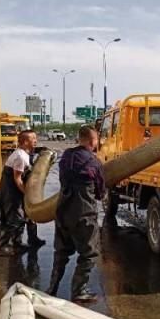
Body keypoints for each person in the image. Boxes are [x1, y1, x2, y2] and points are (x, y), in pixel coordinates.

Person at [46, 125, 105, 303]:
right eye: (96, 140)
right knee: (89, 253)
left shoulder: (65, 158)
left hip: (63, 211)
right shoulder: (93, 162)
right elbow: (101, 191)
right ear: (91, 141)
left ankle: (52, 288)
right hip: (83, 212)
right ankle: (79, 290)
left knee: (61, 252)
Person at [0, 130, 45, 254]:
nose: (35, 141)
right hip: (11, 190)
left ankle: (28, 240)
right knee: (16, 219)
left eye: (35, 138)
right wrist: (26, 193)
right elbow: (17, 179)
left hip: (18, 188)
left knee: (29, 214)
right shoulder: (20, 156)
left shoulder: (26, 153)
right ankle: (3, 245)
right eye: (32, 139)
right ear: (24, 142)